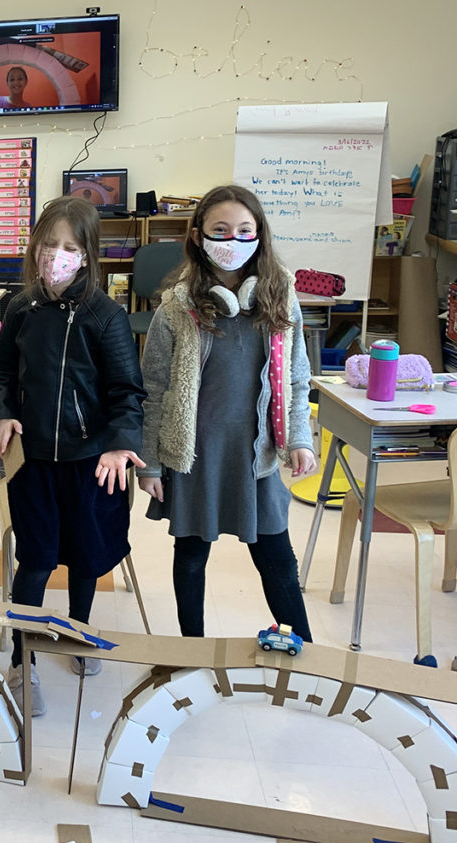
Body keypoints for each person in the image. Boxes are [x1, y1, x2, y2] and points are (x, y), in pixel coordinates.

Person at [137, 184, 316, 644]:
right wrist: (153, 463)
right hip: (198, 455)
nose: (232, 241)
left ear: (259, 236)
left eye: (244, 230)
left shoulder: (280, 299)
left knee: (276, 557)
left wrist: (299, 439)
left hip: (258, 455)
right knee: (192, 555)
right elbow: (155, 389)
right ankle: (191, 650)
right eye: (220, 230)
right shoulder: (176, 308)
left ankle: (309, 655)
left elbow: (296, 378)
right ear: (198, 236)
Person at [0, 196, 146, 717]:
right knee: (33, 561)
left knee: (85, 556)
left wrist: (122, 443)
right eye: (49, 244)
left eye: (70, 247)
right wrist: (3, 413)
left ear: (87, 255)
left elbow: (128, 391)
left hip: (92, 464)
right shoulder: (20, 308)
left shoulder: (106, 316)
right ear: (34, 247)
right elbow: (6, 375)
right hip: (33, 462)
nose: (57, 255)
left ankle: (78, 631)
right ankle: (22, 659)